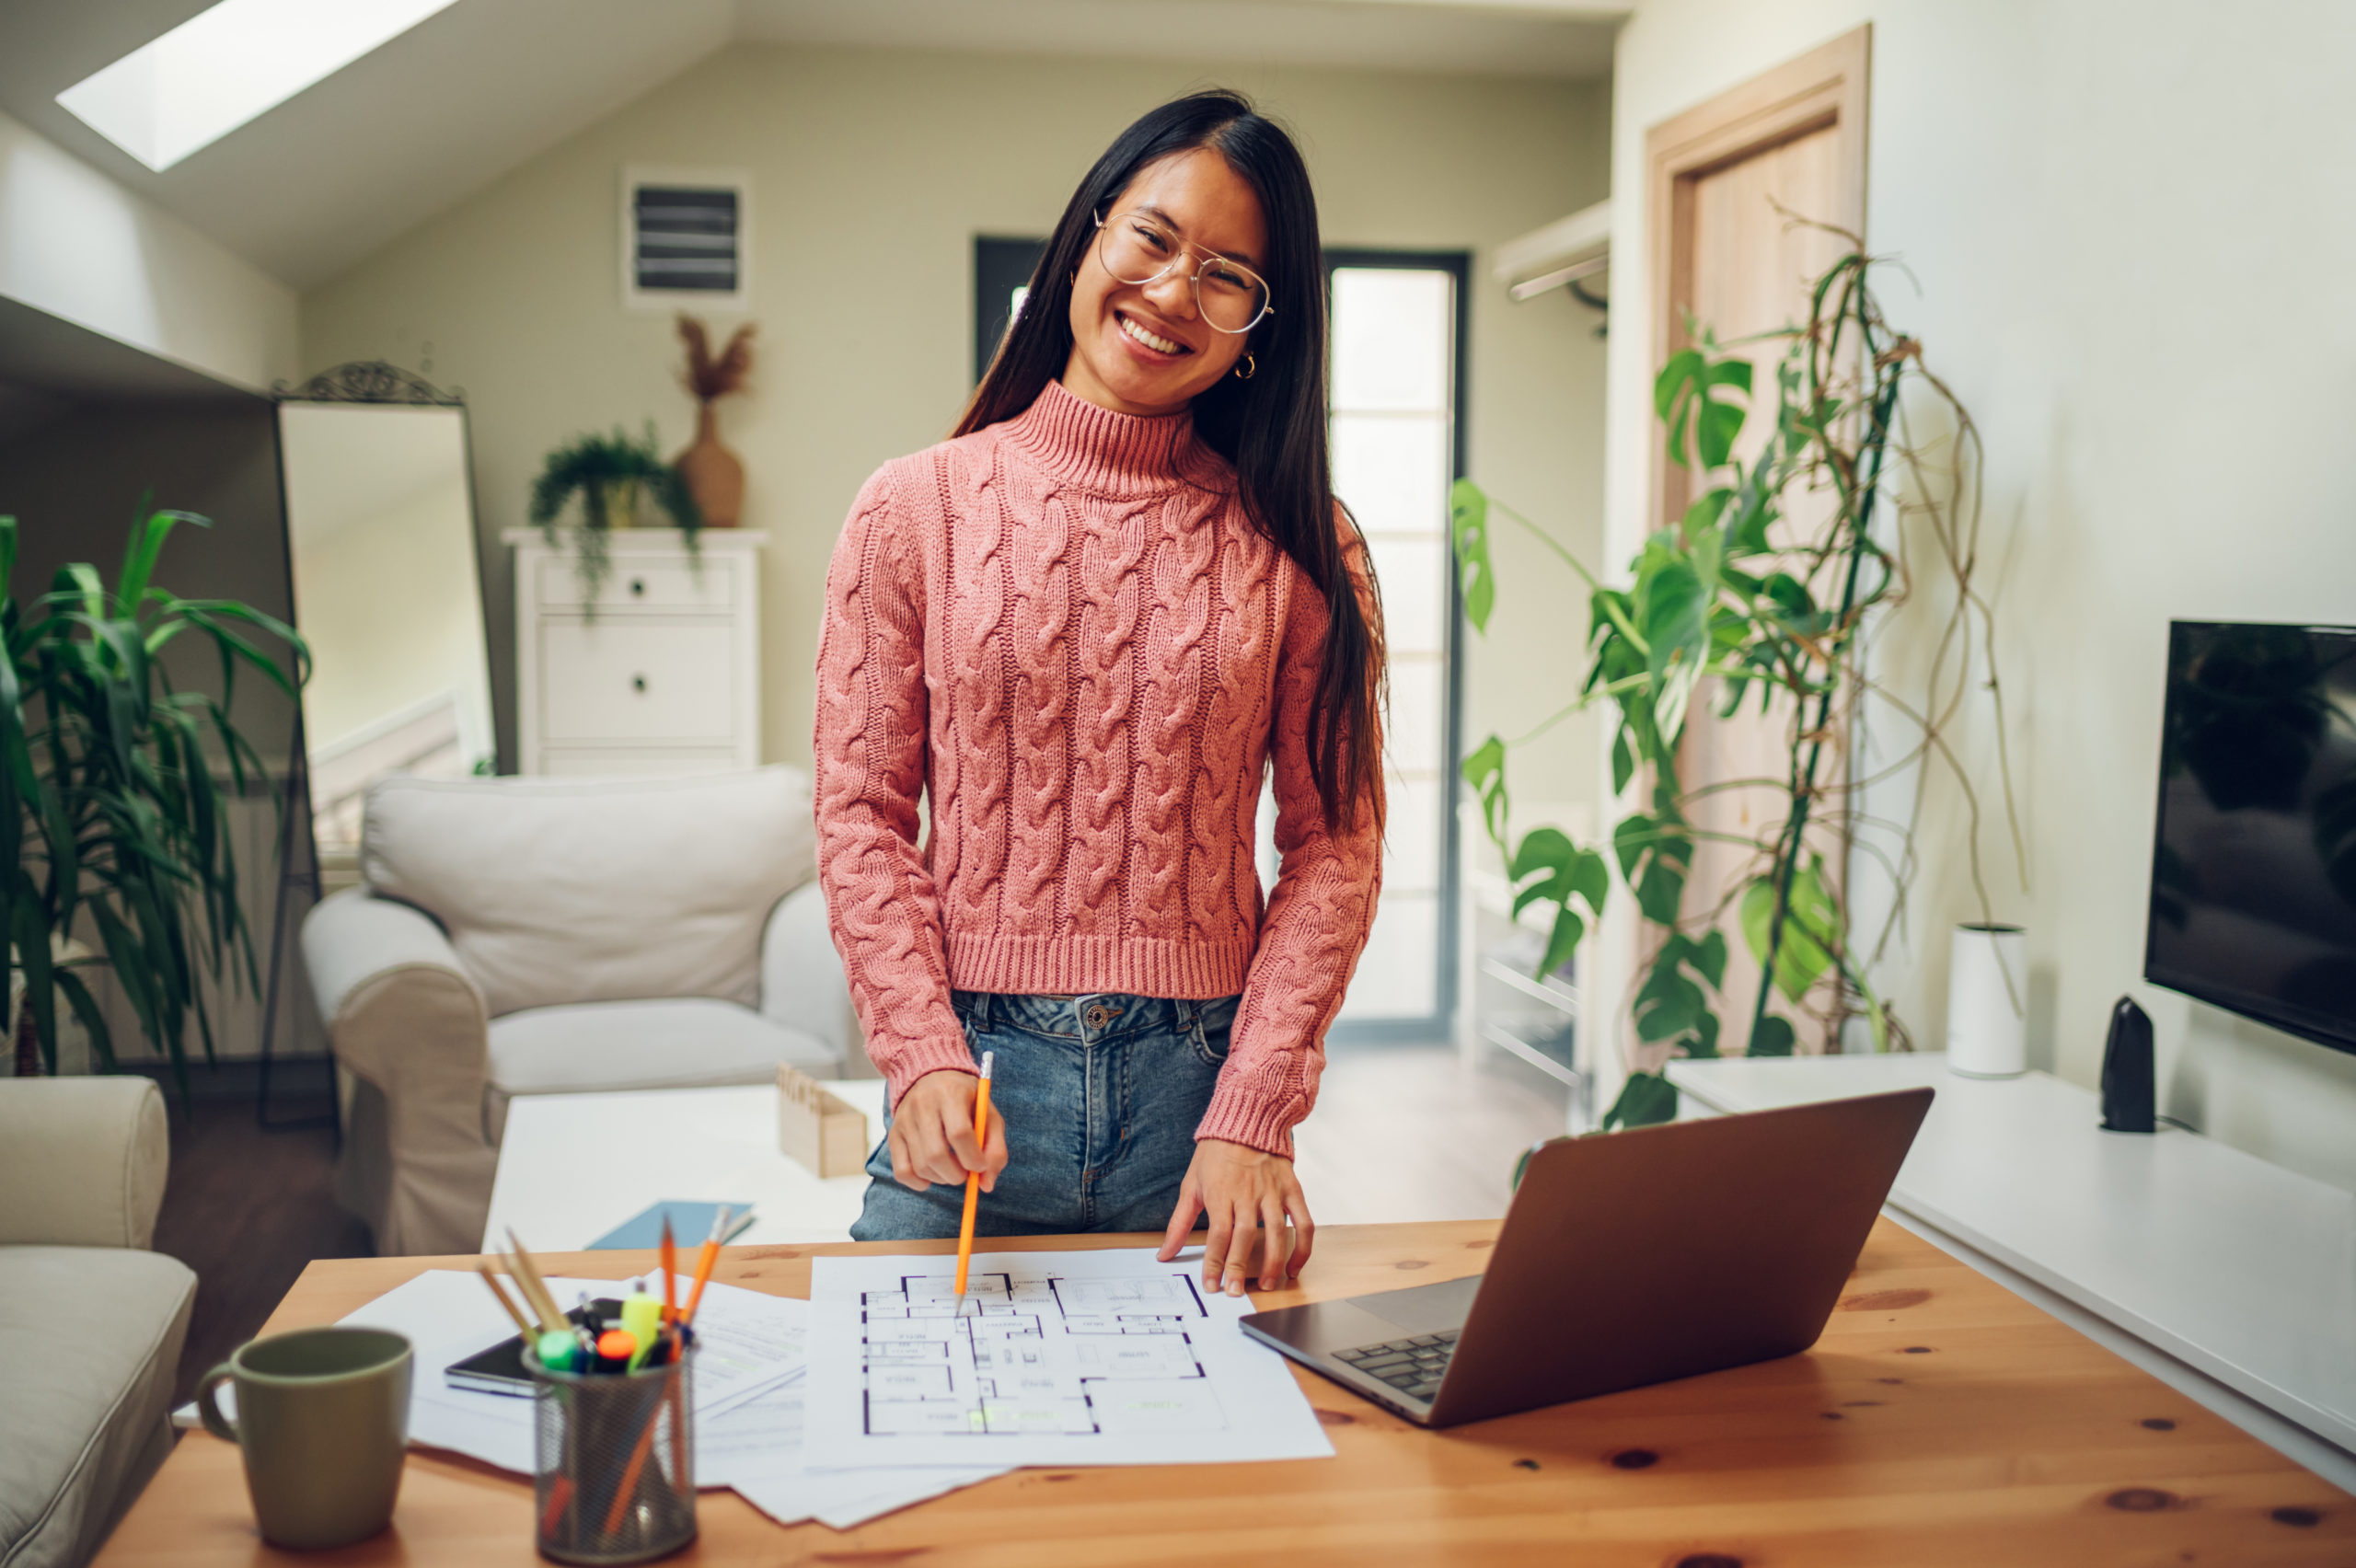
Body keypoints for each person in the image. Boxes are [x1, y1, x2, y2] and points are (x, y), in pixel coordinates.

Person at [813, 88, 1384, 1298]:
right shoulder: (913, 507)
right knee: (909, 1436)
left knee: (1211, 1476)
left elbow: (1336, 846)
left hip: (1202, 1102)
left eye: (1229, 275)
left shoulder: (1303, 543)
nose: (1178, 292)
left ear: (1259, 326)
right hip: (970, 1082)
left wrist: (1256, 1108)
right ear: (1088, 233)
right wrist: (917, 1054)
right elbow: (860, 813)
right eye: (1156, 238)